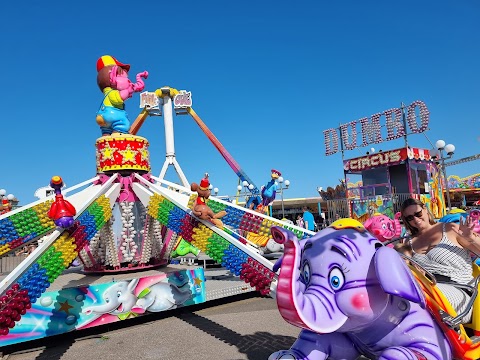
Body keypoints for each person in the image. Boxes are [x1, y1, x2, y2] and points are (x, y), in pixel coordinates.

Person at [397, 198, 480, 322]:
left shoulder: (450, 229)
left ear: (425, 209)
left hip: (460, 292)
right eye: (410, 218)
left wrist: (470, 238)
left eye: (418, 214)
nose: (415, 219)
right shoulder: (408, 243)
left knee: (422, 295)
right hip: (426, 288)